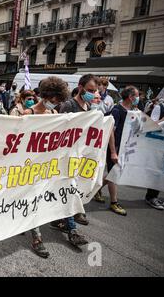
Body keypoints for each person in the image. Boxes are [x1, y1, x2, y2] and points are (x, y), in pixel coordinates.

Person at [17, 77, 71, 256]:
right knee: (33, 201)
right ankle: (37, 238)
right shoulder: (28, 114)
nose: (54, 104)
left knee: (38, 201)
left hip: (46, 167)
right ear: (46, 95)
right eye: (53, 100)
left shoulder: (54, 116)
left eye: (58, 101)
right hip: (28, 166)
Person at [59, 74, 99, 226]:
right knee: (70, 187)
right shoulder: (69, 105)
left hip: (80, 154)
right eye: (90, 90)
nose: (92, 93)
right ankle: (72, 227)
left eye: (94, 90)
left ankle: (62, 219)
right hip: (67, 155)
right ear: (80, 87)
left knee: (74, 185)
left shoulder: (88, 107)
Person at [97, 87, 139, 216]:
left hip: (125, 148)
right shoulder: (117, 110)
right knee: (114, 174)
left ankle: (95, 189)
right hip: (115, 148)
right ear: (130, 97)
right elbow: (111, 132)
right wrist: (113, 151)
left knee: (113, 173)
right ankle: (114, 202)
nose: (138, 98)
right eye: (137, 95)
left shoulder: (133, 111)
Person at [144, 84, 164, 210]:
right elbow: (152, 124)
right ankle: (151, 197)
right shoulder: (160, 107)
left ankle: (155, 196)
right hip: (158, 145)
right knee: (157, 171)